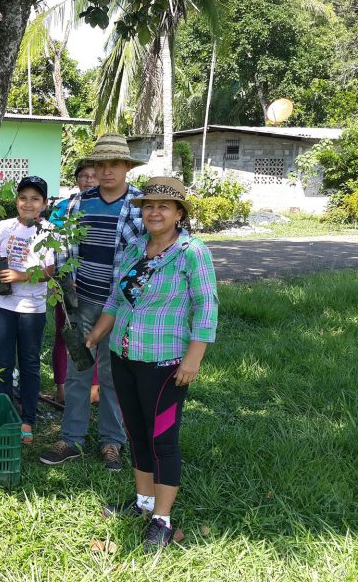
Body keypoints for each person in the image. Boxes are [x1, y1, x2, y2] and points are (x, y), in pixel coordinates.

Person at [87, 177, 218, 552]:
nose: (154, 211)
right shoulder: (132, 249)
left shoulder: (192, 252)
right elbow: (115, 300)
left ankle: (162, 518)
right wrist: (96, 336)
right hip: (124, 357)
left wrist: (193, 359)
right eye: (148, 206)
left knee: (162, 439)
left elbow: (206, 307)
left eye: (164, 206)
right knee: (136, 433)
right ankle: (143, 503)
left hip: (165, 363)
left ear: (179, 213)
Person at [39, 134, 146, 470]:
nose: (107, 171)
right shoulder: (77, 204)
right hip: (82, 299)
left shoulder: (141, 207)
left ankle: (112, 442)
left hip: (121, 305)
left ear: (127, 167)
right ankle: (71, 439)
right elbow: (61, 247)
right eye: (101, 164)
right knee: (78, 370)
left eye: (115, 164)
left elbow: (145, 257)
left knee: (113, 375)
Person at [0, 176, 55, 444]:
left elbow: (49, 271)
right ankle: (2, 417)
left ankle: (28, 420)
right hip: (3, 306)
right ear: (16, 201)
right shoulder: (3, 227)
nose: (28, 203)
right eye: (23, 197)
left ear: (44, 204)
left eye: (35, 199)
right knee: (2, 362)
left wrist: (19, 276)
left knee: (29, 363)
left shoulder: (49, 231)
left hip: (32, 309)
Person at [49, 160, 100, 403]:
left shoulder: (105, 208)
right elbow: (53, 245)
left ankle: (94, 388)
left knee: (95, 334)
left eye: (94, 175)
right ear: (76, 179)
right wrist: (64, 277)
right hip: (67, 280)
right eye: (84, 176)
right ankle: (61, 388)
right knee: (66, 333)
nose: (89, 180)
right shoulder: (63, 208)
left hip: (97, 284)